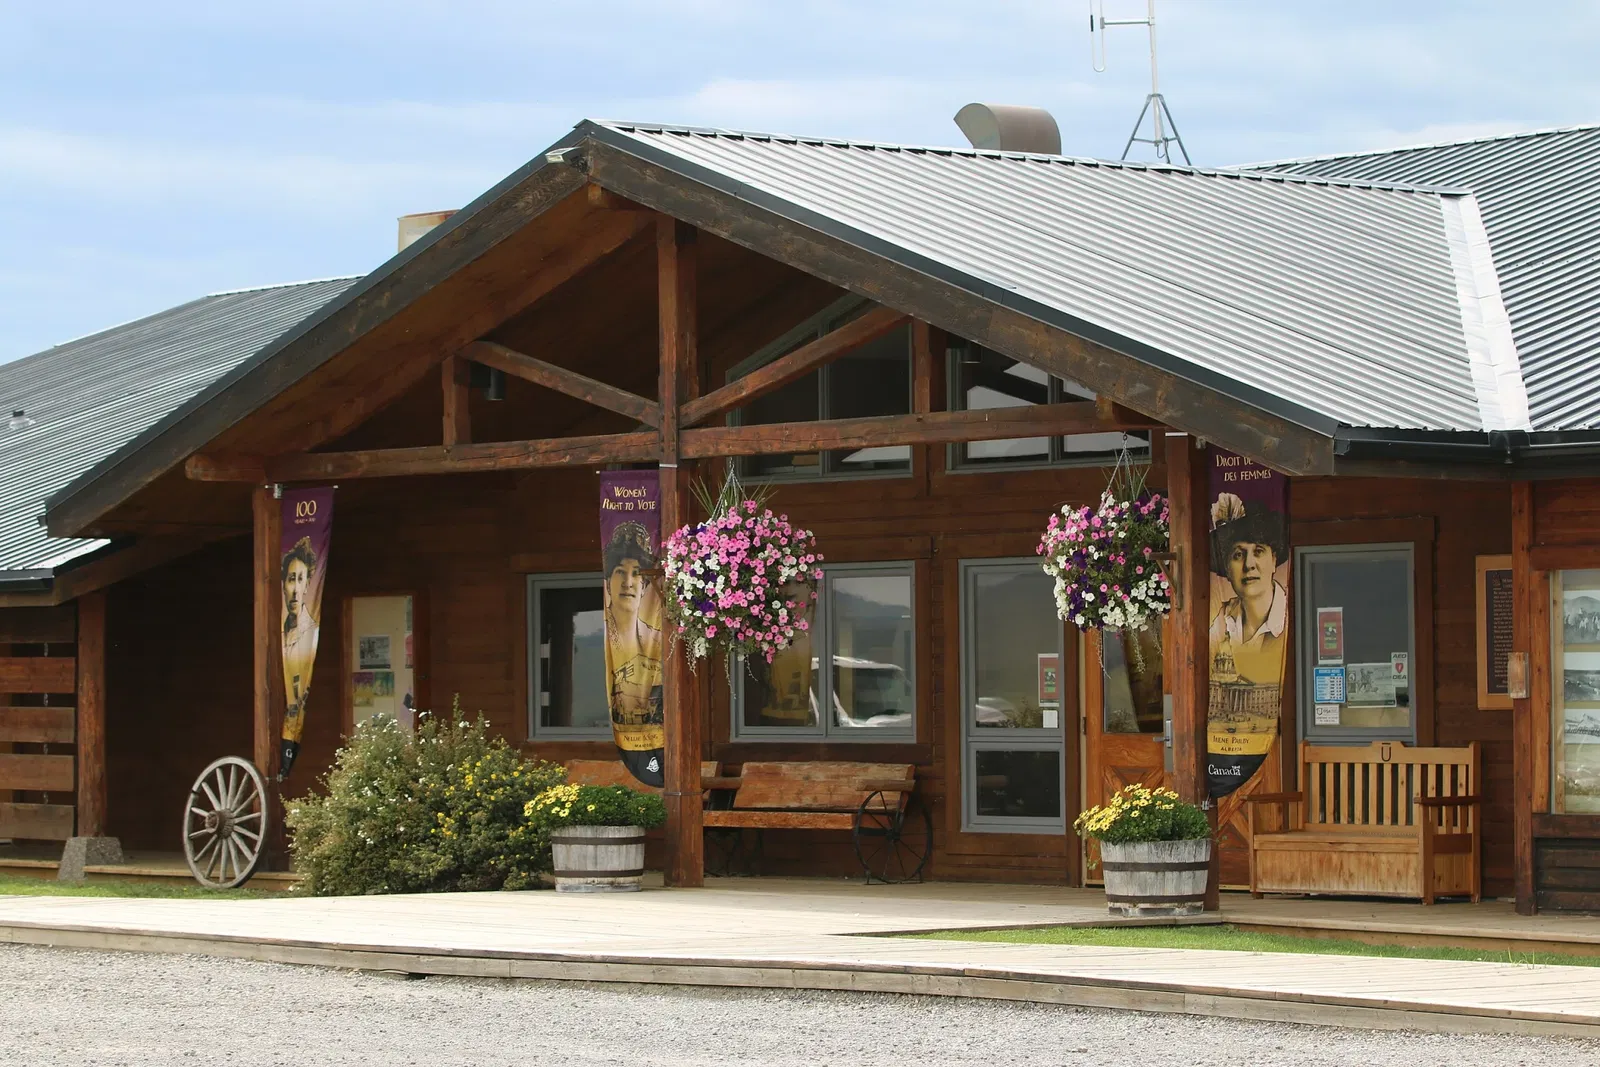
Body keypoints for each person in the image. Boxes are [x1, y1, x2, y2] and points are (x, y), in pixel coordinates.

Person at [1207, 498, 1288, 684]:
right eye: (1238, 555)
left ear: (1274, 560)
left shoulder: (1290, 615)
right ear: (1227, 569)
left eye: (1258, 551)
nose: (1249, 564)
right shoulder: (1222, 620)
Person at [603, 522, 664, 733]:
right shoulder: (602, 635)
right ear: (608, 582)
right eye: (620, 572)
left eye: (636, 573)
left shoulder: (656, 638)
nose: (627, 582)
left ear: (645, 586)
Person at [280, 536, 321, 712]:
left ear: (307, 585)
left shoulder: (312, 632)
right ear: (283, 585)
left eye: (300, 579)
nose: (295, 590)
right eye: (291, 579)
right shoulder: (279, 633)